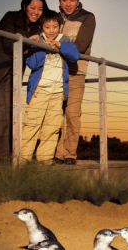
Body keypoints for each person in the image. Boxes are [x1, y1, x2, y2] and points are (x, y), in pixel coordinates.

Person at [0, 0, 49, 165]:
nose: (36, 11)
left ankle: (11, 156)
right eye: (32, 7)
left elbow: (28, 53)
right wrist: (29, 42)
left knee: (12, 113)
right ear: (25, 6)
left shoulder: (36, 27)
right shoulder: (10, 17)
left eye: (40, 9)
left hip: (15, 71)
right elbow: (9, 43)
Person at [20, 10, 80, 165]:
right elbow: (32, 64)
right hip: (40, 90)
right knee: (32, 124)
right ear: (41, 27)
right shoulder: (37, 40)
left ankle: (44, 159)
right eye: (48, 27)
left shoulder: (64, 39)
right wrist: (39, 45)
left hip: (58, 91)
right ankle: (23, 159)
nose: (52, 30)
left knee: (52, 127)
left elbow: (75, 56)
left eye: (55, 26)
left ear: (60, 26)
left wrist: (59, 45)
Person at [54, 0, 96, 165]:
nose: (68, 3)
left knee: (72, 113)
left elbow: (80, 46)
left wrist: (56, 40)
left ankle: (70, 154)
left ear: (78, 1)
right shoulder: (54, 17)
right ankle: (56, 153)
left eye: (72, 0)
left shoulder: (88, 18)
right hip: (54, 71)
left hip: (76, 72)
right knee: (55, 114)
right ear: (60, 1)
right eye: (64, 0)